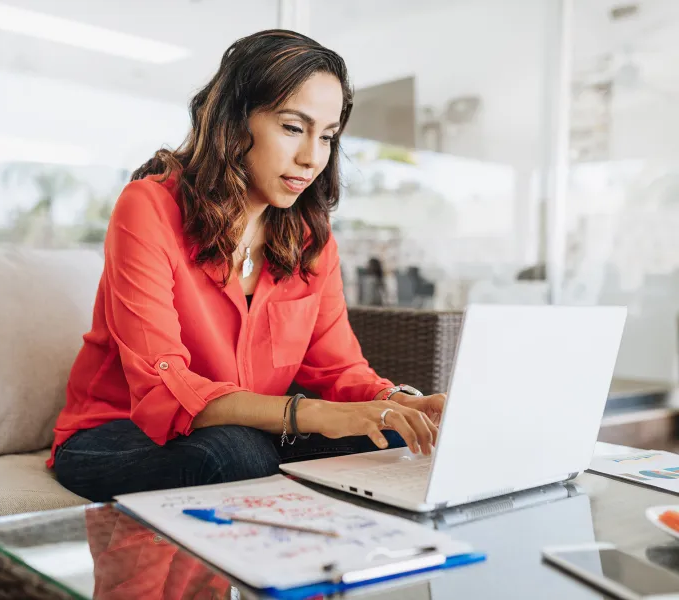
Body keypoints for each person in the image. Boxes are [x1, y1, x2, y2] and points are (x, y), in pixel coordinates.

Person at [49, 29, 445, 502]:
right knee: (238, 454)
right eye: (293, 128)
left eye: (327, 136)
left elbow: (339, 371)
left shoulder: (310, 240)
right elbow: (164, 389)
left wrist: (398, 403)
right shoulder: (148, 207)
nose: (311, 158)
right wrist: (315, 416)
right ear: (235, 121)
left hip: (253, 431)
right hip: (117, 433)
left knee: (398, 438)